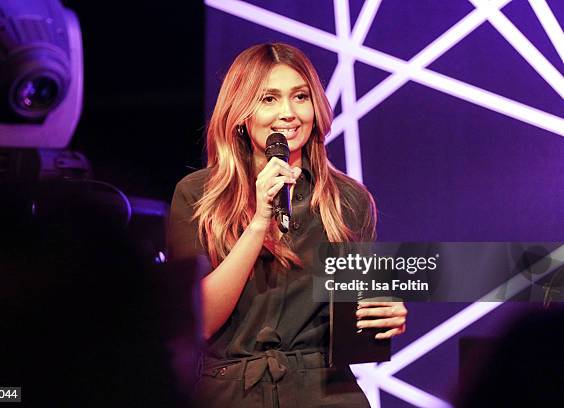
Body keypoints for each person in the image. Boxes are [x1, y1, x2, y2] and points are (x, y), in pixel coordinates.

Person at [167, 42, 407, 407]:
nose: (288, 113)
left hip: (325, 392)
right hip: (230, 393)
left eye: (300, 97)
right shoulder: (198, 195)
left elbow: (355, 330)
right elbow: (199, 322)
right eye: (268, 99)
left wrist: (380, 319)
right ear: (241, 113)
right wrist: (260, 220)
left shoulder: (346, 200)